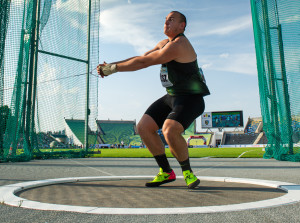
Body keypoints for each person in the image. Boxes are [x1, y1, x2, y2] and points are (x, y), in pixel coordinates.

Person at [97, 11, 210, 189]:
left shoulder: (179, 45)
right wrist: (109, 66)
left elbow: (145, 63)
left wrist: (113, 69)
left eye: (171, 20)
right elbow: (140, 58)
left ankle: (187, 172)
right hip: (172, 96)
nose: (166, 22)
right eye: (165, 20)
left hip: (191, 98)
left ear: (182, 26)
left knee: (169, 130)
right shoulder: (164, 44)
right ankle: (166, 171)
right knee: (143, 127)